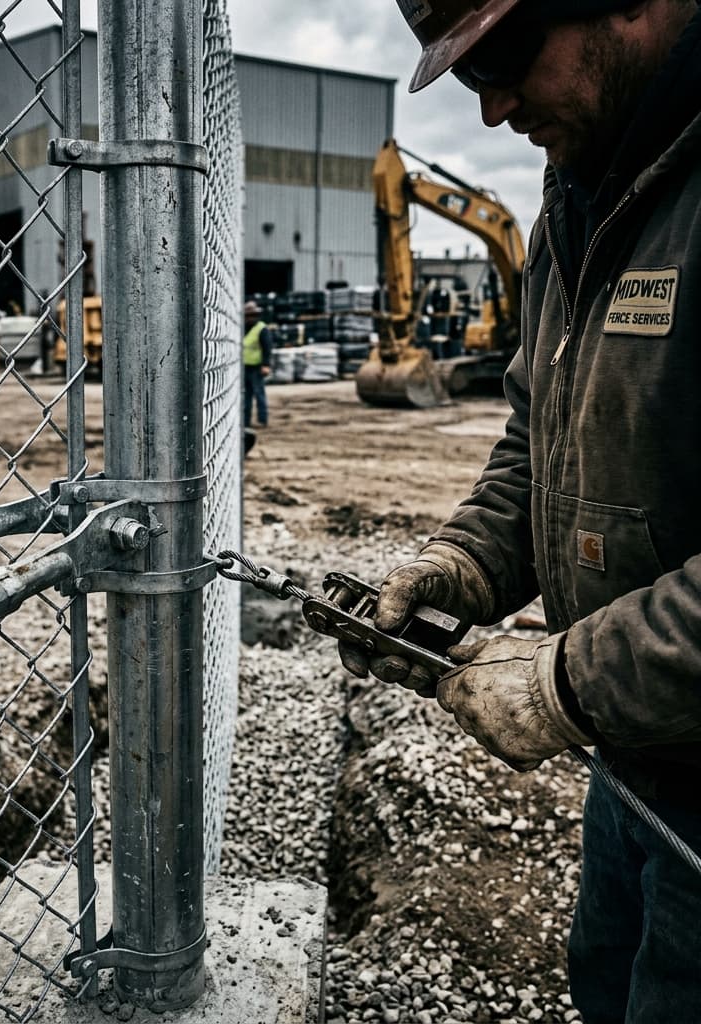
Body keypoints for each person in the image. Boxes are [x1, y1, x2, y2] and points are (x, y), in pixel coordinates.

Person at [338, 2, 701, 1019]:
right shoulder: (573, 201)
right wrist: (463, 564)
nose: (493, 108)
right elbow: (535, 447)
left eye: (500, 57)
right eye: (463, 77)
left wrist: (562, 684)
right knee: (605, 981)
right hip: (633, 747)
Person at [242, 299, 273, 428]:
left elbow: (267, 348)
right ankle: (246, 421)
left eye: (252, 315)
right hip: (244, 366)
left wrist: (266, 365)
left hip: (257, 366)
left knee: (259, 393)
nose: (250, 318)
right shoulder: (242, 329)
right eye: (248, 316)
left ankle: (262, 420)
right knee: (246, 396)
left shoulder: (261, 329)